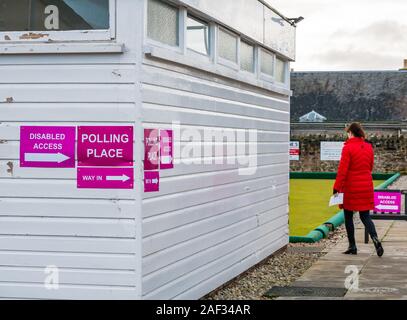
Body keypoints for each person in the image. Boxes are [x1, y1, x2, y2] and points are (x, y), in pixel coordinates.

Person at [333, 122, 384, 257]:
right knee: (365, 216)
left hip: (351, 187)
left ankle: (352, 246)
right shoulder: (368, 147)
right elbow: (370, 166)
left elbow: (342, 170)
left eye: (347, 133)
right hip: (366, 185)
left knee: (348, 216)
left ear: (351, 133)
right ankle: (375, 239)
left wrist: (336, 187)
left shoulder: (348, 148)